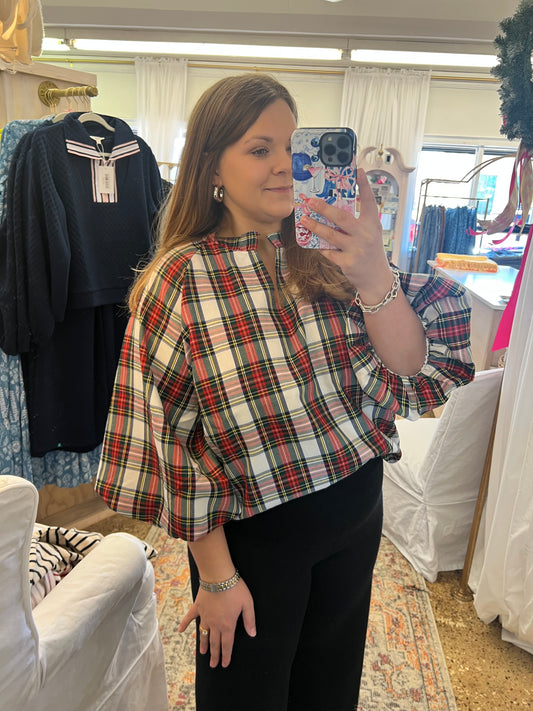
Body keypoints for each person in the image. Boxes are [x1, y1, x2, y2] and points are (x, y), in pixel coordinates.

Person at [95, 73, 474, 711]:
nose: (283, 165)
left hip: (357, 515)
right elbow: (168, 438)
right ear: (211, 168)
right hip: (258, 540)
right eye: (259, 148)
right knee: (248, 696)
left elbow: (410, 370)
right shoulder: (181, 279)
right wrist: (217, 577)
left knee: (329, 692)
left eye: (292, 146)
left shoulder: (328, 255)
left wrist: (373, 271)